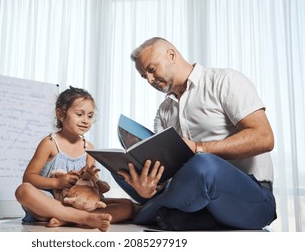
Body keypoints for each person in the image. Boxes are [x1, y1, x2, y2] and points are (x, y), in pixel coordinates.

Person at [116, 37, 276, 230]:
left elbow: (264, 138)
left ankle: (142, 211)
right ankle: (168, 210)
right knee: (122, 169)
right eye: (144, 76)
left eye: (151, 69)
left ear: (172, 55)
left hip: (253, 197)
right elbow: (168, 173)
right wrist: (150, 187)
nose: (149, 80)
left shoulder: (224, 81)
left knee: (203, 164)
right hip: (195, 197)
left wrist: (199, 148)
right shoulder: (164, 111)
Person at [15, 86, 134, 232]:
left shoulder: (88, 148)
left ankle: (66, 219)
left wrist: (95, 180)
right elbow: (28, 178)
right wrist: (57, 182)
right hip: (50, 202)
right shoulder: (50, 143)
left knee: (127, 206)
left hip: (80, 203)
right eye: (79, 114)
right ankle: (82, 219)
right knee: (23, 191)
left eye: (90, 116)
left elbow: (93, 185)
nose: (85, 121)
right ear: (60, 114)